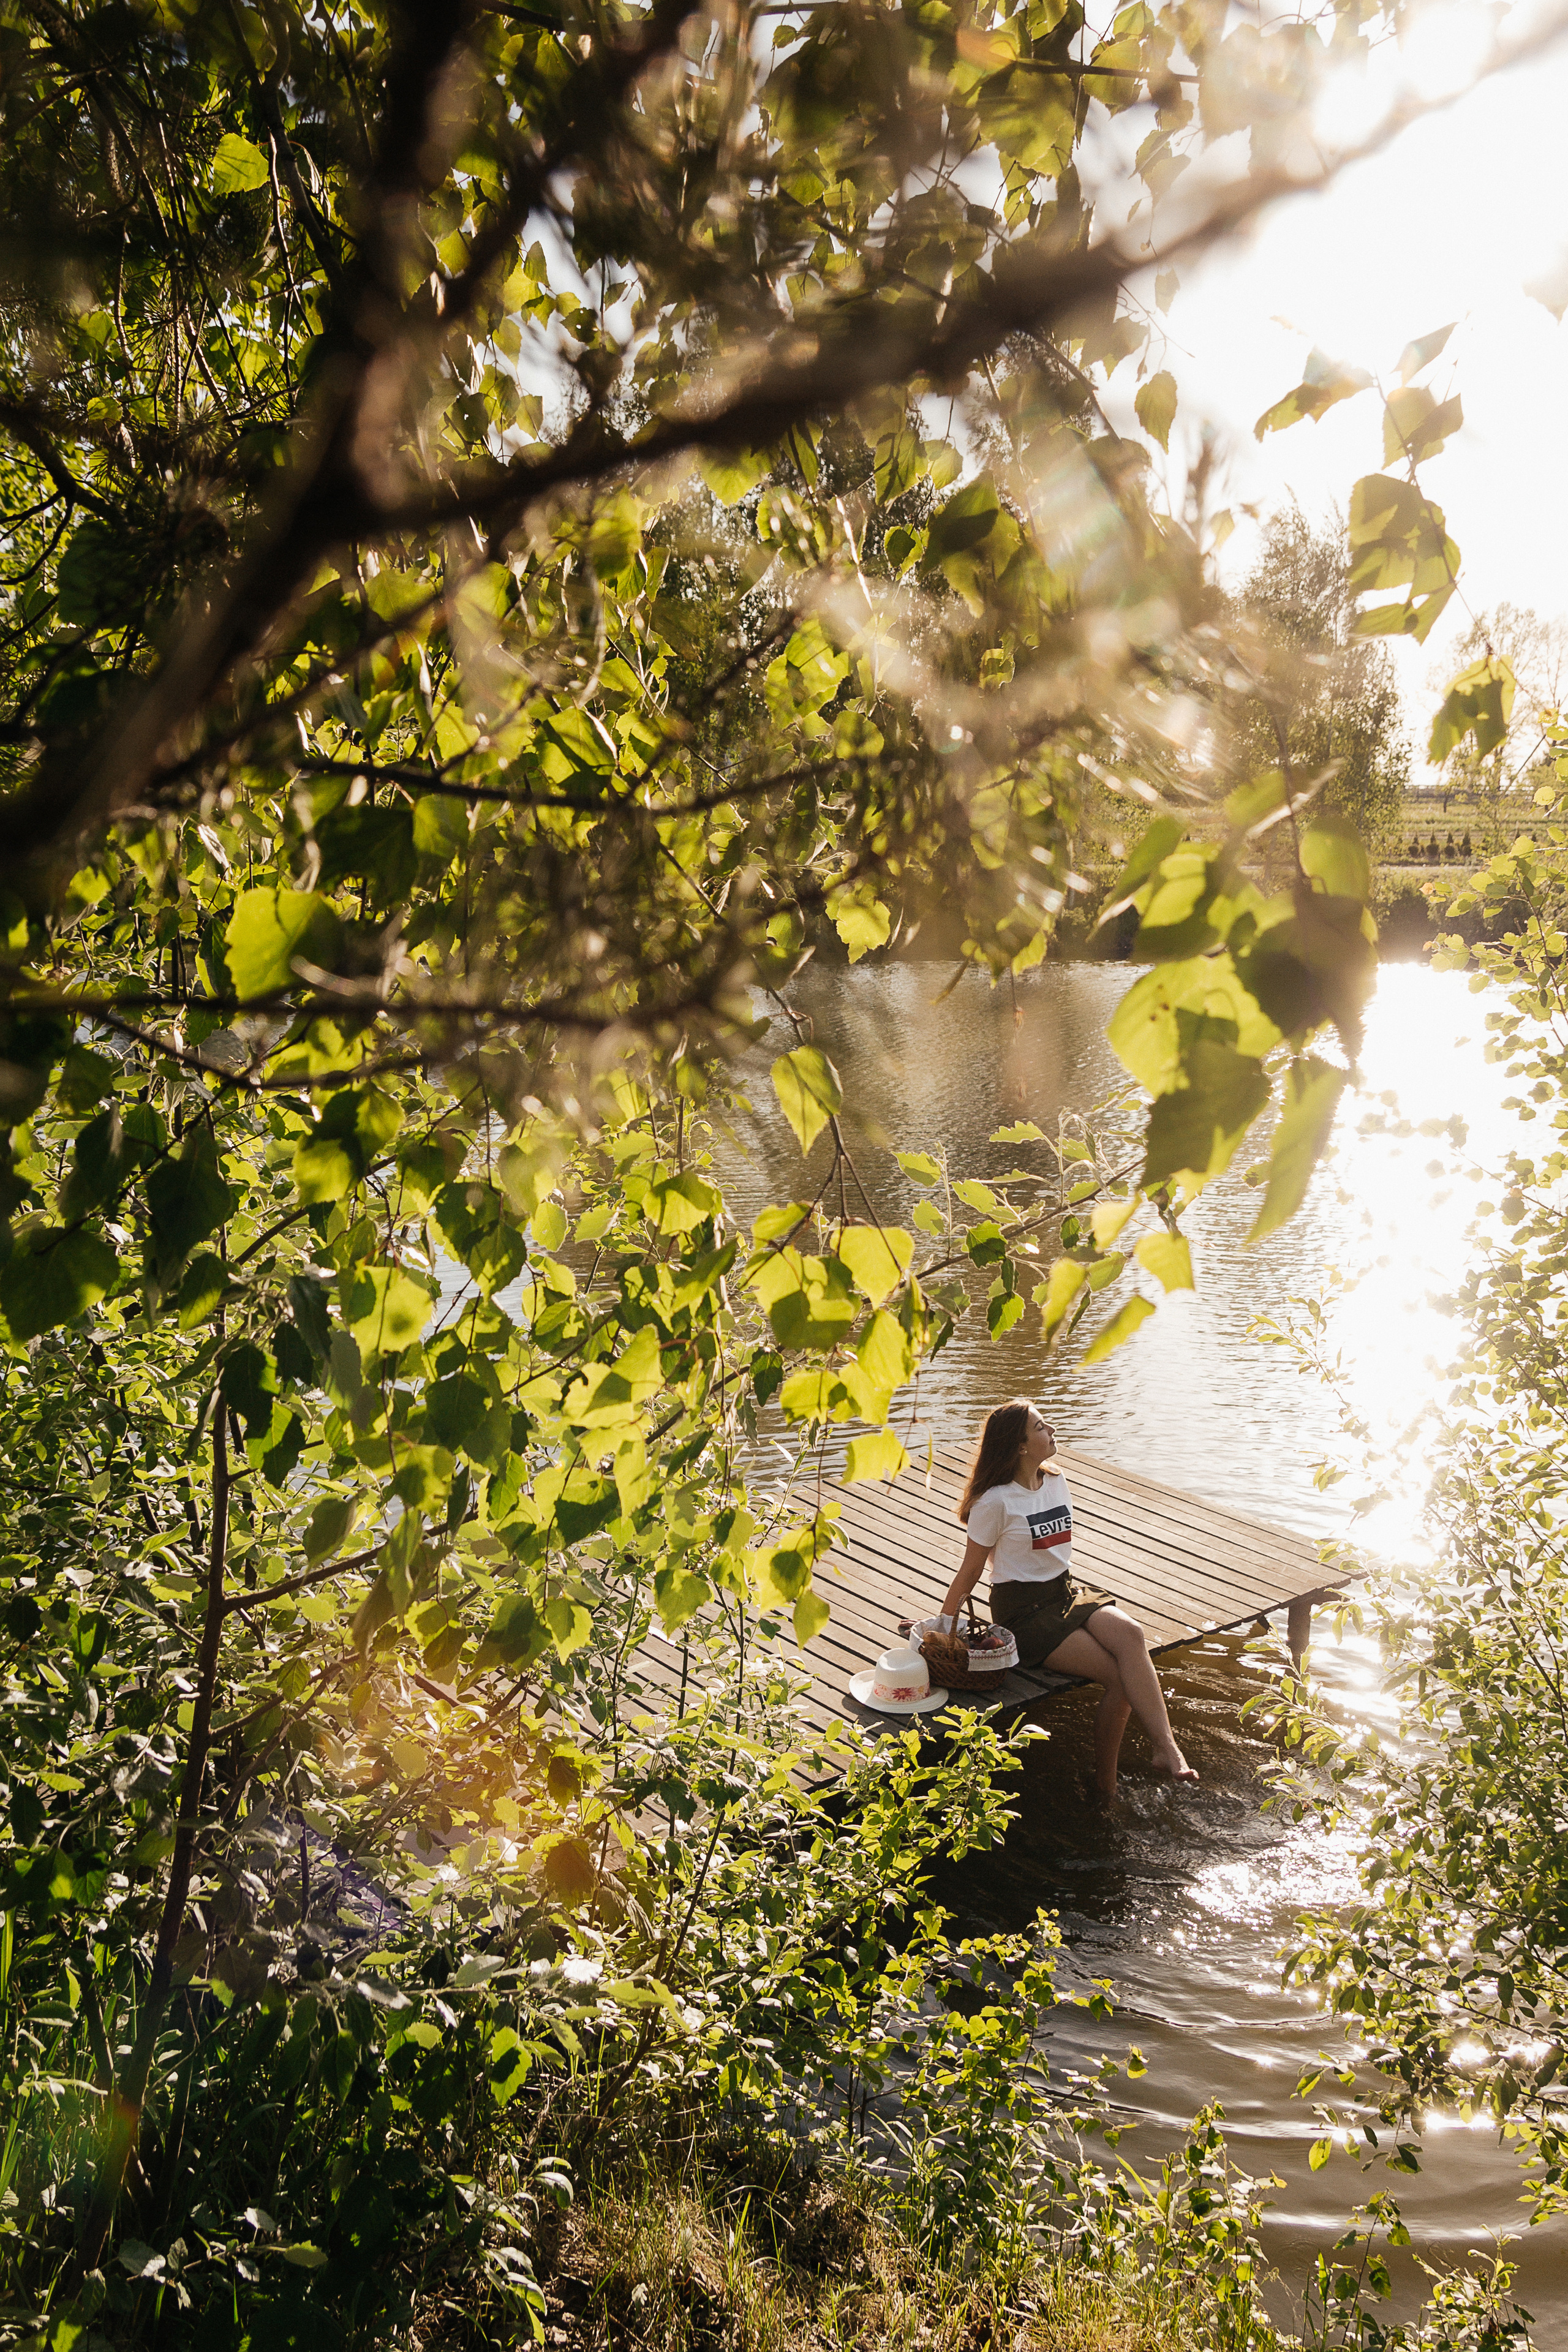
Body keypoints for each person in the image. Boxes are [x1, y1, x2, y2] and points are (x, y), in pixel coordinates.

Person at [937, 1396, 1197, 1796]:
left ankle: (1167, 1748)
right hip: (1023, 1611)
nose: (1052, 1430)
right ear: (1020, 1446)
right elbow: (970, 1572)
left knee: (1131, 1633)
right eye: (1041, 1427)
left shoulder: (1055, 1479)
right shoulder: (995, 1502)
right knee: (1118, 1678)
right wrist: (942, 1629)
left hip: (1065, 1590)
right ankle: (1105, 1786)